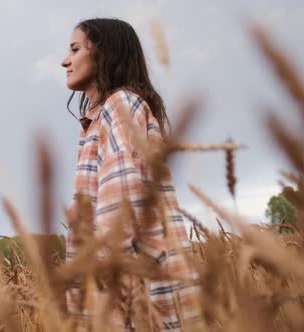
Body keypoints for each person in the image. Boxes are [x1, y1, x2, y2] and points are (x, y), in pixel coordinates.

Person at [61, 18, 200, 331]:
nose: (64, 60)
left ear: (103, 53)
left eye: (74, 49)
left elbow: (121, 208)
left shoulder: (120, 105)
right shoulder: (101, 119)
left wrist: (108, 298)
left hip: (135, 298)